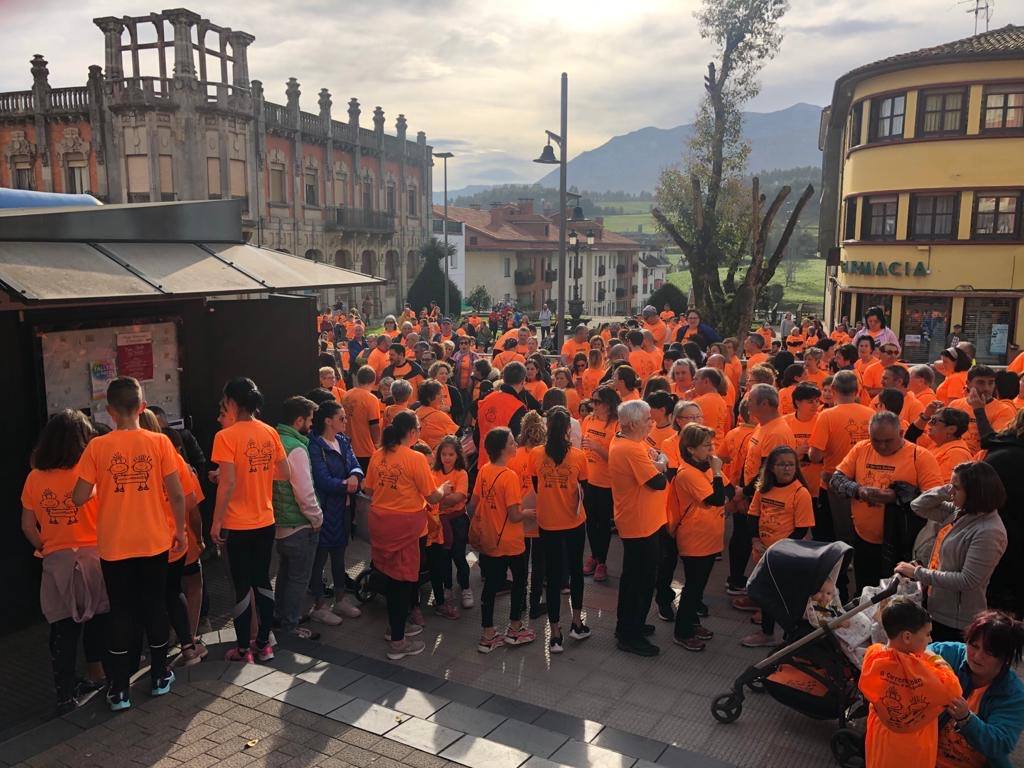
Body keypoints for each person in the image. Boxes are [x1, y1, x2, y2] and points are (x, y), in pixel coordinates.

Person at [72, 378, 186, 710]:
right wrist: (178, 530)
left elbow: (79, 496)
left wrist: (98, 488)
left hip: (114, 545)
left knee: (120, 611)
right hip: (154, 540)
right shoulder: (160, 442)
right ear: (142, 407)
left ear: (108, 411)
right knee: (154, 605)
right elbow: (177, 494)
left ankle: (119, 689)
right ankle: (161, 674)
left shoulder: (97, 447)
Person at [21, 410, 108, 714]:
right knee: (97, 623)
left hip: (56, 562)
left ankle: (64, 694)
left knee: (63, 630)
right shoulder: (89, 475)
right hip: (94, 557)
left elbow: (27, 525)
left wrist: (47, 546)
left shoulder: (34, 478)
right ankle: (102, 679)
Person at [208, 378, 288, 664]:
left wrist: (216, 522)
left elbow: (227, 482)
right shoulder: (269, 432)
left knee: (242, 585)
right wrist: (256, 475)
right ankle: (264, 644)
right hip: (265, 520)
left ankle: (243, 649)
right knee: (262, 580)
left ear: (231, 402)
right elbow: (284, 473)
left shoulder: (226, 436)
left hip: (237, 524)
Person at [363, 411, 450, 660]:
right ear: (411, 432)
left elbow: (368, 489)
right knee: (402, 581)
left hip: (380, 523)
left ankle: (396, 627)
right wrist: (443, 489)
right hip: (406, 527)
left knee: (390, 576)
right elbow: (432, 496)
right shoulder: (415, 458)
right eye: (419, 429)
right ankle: (398, 643)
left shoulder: (378, 454)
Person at [831, 411, 944, 593]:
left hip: (904, 545)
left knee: (897, 596)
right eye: (876, 440)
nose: (882, 446)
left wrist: (896, 497)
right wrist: (860, 491)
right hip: (865, 539)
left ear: (901, 434)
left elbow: (935, 501)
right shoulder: (861, 448)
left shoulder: (920, 456)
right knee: (865, 591)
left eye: (888, 441)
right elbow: (836, 480)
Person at [897, 462, 1008, 640]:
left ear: (974, 492)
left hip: (956, 621)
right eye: (950, 486)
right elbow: (917, 506)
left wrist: (918, 573)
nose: (951, 492)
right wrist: (945, 489)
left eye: (956, 488)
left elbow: (968, 580)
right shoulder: (960, 512)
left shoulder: (989, 531)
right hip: (936, 607)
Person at [860, 597, 962, 768]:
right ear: (907, 636)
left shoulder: (873, 657)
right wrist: (935, 658)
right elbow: (953, 691)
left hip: (882, 736)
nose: (930, 640)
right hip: (914, 744)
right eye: (927, 634)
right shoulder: (923, 670)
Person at [610, 400, 670, 656]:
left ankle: (630, 624)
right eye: (648, 419)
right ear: (633, 423)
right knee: (640, 580)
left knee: (637, 578)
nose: (652, 423)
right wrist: (662, 465)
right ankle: (629, 634)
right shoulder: (630, 448)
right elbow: (658, 481)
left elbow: (656, 458)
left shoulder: (630, 440)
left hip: (647, 520)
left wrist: (659, 462)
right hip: (639, 524)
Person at [529, 406, 591, 654]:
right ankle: (577, 621)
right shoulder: (578, 456)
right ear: (568, 429)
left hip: (548, 522)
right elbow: (583, 487)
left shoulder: (535, 454)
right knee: (575, 572)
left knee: (553, 579)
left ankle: (554, 634)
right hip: (574, 522)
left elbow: (536, 484)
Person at [739, 446, 815, 647]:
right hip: (762, 552)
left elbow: (801, 529)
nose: (787, 469)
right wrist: (755, 540)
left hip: (784, 555)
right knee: (766, 593)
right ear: (771, 467)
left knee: (783, 595)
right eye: (781, 464)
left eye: (791, 464)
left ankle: (791, 634)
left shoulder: (800, 493)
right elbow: (753, 516)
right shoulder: (763, 487)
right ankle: (767, 632)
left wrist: (778, 550)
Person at [470, 427, 537, 653]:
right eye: (511, 442)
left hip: (489, 538)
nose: (515, 444)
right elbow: (515, 515)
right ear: (502, 449)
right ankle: (515, 629)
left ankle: (487, 634)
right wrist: (529, 513)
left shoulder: (484, 470)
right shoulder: (509, 476)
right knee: (519, 582)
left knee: (490, 587)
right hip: (510, 541)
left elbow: (474, 503)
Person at [930, 610, 1024, 768]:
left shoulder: (1014, 695)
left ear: (1005, 659)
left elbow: (1000, 744)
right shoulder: (946, 653)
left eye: (989, 653)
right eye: (973, 646)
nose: (977, 656)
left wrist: (966, 719)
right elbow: (912, 658)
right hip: (923, 756)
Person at [728, 384, 796, 597]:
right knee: (740, 537)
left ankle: (758, 595)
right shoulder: (763, 425)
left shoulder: (777, 432)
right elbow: (751, 462)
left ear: (764, 404)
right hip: (751, 494)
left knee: (755, 543)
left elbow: (767, 471)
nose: (746, 405)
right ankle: (738, 582)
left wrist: (745, 493)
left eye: (750, 401)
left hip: (762, 499)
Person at [667, 423, 726, 652]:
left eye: (711, 444)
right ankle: (682, 632)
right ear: (690, 449)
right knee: (693, 586)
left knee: (699, 586)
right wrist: (719, 472)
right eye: (705, 446)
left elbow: (728, 491)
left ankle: (692, 621)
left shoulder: (704, 467)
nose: (711, 450)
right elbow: (718, 499)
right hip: (695, 539)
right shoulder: (688, 473)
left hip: (710, 536)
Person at [271, 396, 324, 641]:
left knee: (284, 573)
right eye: (310, 420)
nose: (312, 425)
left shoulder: (273, 440)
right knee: (297, 578)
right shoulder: (297, 449)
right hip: (299, 524)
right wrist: (316, 518)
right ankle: (290, 626)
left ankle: (280, 615)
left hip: (279, 522)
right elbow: (304, 490)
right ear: (299, 420)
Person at [307, 400, 364, 626]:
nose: (345, 421)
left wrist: (355, 476)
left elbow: (355, 464)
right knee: (320, 557)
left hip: (343, 509)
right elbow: (322, 480)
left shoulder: (342, 441)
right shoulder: (315, 447)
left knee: (340, 554)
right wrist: (347, 484)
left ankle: (340, 599)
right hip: (324, 509)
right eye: (341, 418)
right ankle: (319, 605)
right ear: (328, 421)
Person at [808, 370, 873, 549]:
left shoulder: (827, 416)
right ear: (857, 390)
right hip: (865, 478)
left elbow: (815, 455)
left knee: (831, 533)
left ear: (834, 389)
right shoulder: (871, 413)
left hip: (833, 481)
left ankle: (838, 566)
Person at [581, 386, 621, 582]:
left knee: (603, 523)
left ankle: (602, 561)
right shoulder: (588, 420)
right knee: (590, 521)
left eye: (597, 402)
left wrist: (597, 447)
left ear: (608, 404)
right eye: (592, 401)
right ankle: (594, 556)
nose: (592, 405)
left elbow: (617, 458)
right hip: (588, 479)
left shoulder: (616, 425)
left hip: (606, 482)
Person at [431, 436, 471, 615]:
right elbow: (430, 495)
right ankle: (447, 587)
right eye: (444, 454)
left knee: (459, 556)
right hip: (439, 522)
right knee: (443, 557)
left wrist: (438, 499)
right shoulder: (434, 472)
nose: (447, 458)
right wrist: (441, 499)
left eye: (451, 454)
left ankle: (465, 588)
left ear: (457, 455)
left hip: (457, 520)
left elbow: (459, 497)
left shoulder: (461, 473)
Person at [475, 361, 529, 466]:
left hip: (484, 464)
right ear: (523, 381)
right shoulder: (518, 407)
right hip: (506, 466)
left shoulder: (486, 400)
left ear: (503, 378)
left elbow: (476, 434)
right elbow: (520, 440)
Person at [906, 405, 973, 480]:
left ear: (951, 429)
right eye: (930, 419)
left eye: (934, 420)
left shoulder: (956, 454)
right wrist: (925, 416)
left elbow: (944, 488)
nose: (929, 423)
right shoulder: (935, 442)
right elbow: (909, 437)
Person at [342, 366, 383, 472]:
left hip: (347, 448)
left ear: (358, 378)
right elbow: (374, 425)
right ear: (373, 380)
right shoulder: (371, 399)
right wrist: (378, 444)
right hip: (365, 450)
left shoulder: (346, 395)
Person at [415, 380, 459, 450]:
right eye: (438, 394)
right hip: (437, 456)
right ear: (429, 399)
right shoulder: (440, 416)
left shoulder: (416, 413)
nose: (442, 395)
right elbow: (458, 435)